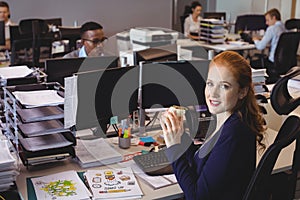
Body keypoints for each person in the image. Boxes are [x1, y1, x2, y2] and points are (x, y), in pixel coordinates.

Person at [160, 51, 266, 200]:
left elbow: (197, 196)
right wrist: (179, 134)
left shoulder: (233, 132)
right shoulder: (226, 120)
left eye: (224, 86)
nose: (213, 94)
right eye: (210, 83)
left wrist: (174, 149)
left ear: (242, 91)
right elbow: (199, 163)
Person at [251, 8, 286, 83]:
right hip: (285, 62)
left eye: (268, 20)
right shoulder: (285, 28)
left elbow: (260, 46)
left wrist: (255, 40)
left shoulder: (272, 29)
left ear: (274, 18)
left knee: (252, 63)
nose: (266, 23)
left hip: (273, 62)